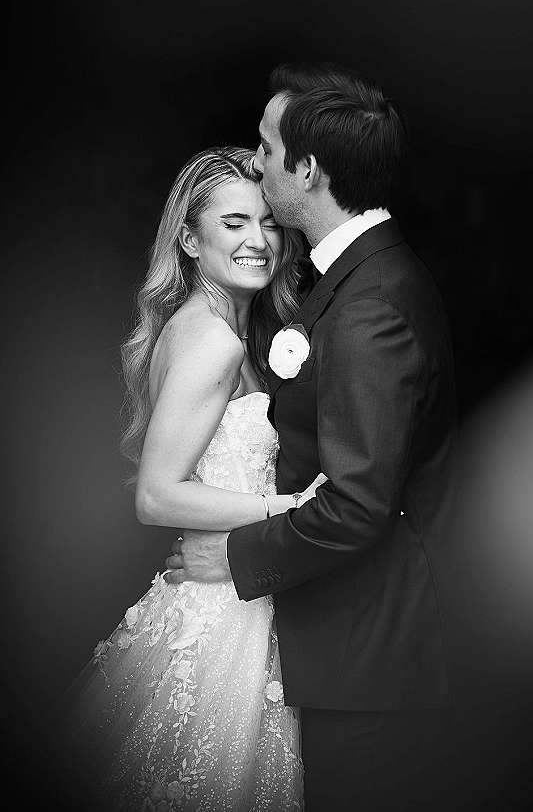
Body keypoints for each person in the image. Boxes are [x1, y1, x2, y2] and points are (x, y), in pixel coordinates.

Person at [165, 63, 463, 812]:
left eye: (267, 149)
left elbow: (359, 506)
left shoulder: (368, 306)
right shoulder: (352, 280)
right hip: (340, 642)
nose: (257, 161)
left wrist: (229, 558)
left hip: (368, 656)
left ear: (307, 169)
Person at [54, 146, 323, 812]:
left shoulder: (217, 328)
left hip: (233, 592)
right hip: (222, 613)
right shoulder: (214, 339)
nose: (259, 240)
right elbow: (157, 495)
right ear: (189, 237)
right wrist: (292, 505)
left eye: (267, 222)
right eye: (234, 223)